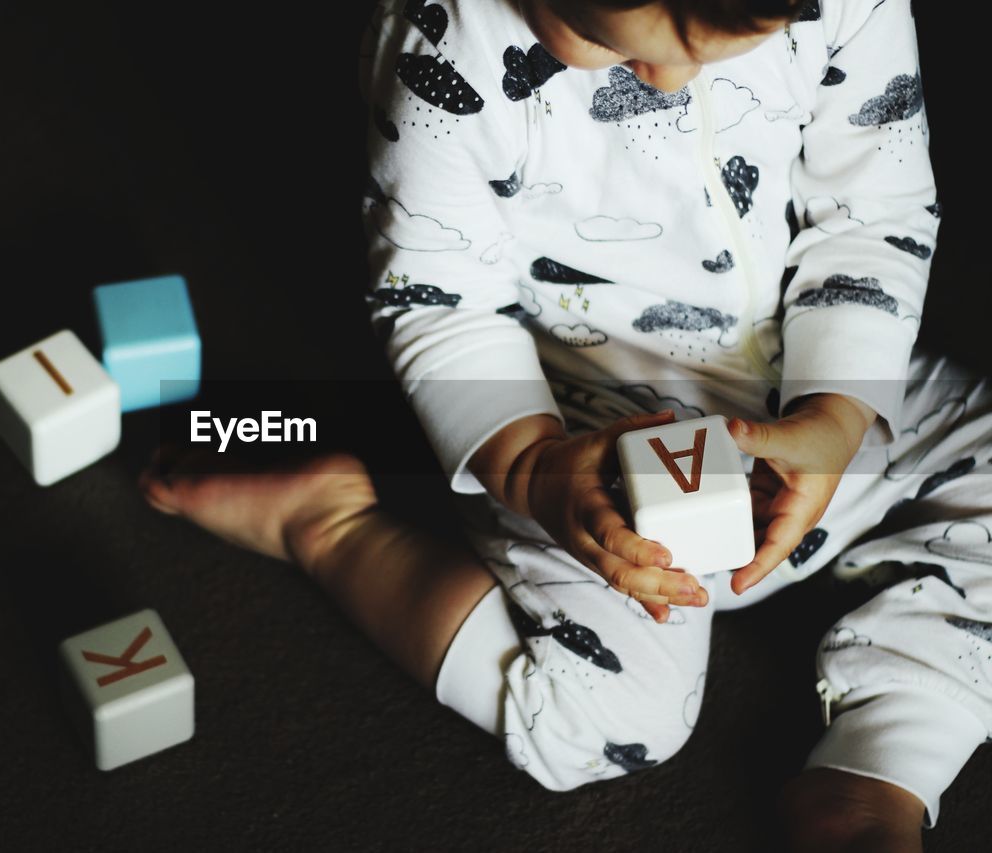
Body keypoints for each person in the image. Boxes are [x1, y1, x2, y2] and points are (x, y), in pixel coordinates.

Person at [141, 1, 992, 849]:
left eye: (729, 45)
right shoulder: (448, 36)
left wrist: (839, 406)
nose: (668, 79)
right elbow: (439, 305)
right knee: (606, 720)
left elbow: (873, 216)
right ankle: (326, 525)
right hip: (577, 424)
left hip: (796, 387)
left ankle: (884, 757)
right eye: (598, 38)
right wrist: (529, 466)